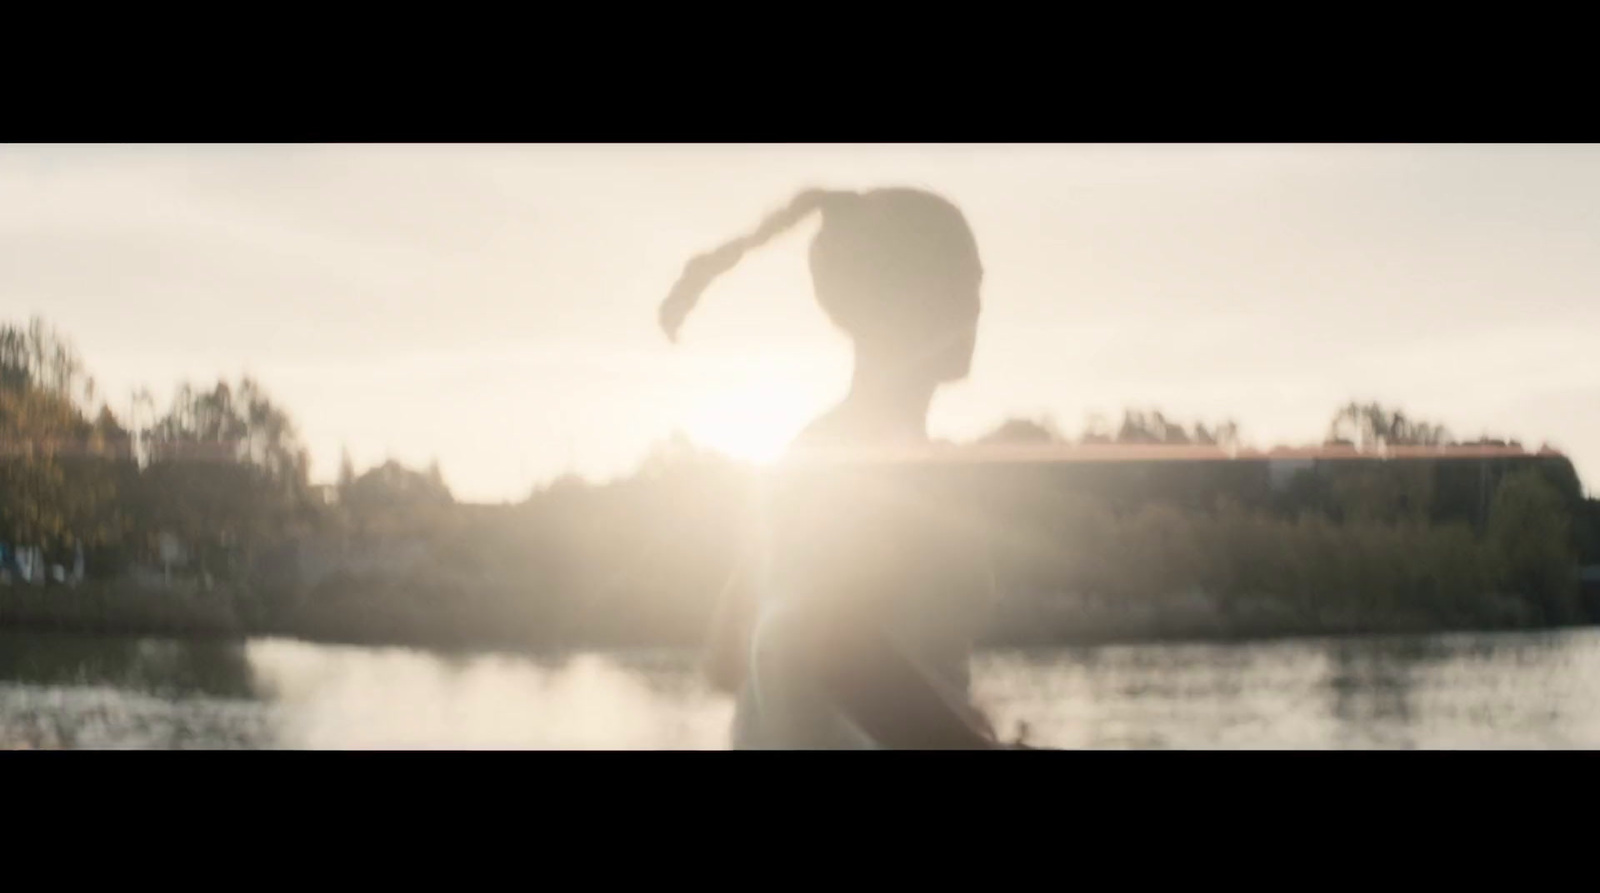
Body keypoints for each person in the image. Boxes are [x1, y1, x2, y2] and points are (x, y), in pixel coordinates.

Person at [662, 186, 1019, 750]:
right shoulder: (868, 455)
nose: (976, 306)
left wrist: (956, 712)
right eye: (961, 284)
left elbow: (730, 655)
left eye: (976, 287)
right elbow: (831, 645)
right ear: (901, 297)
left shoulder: (818, 452)